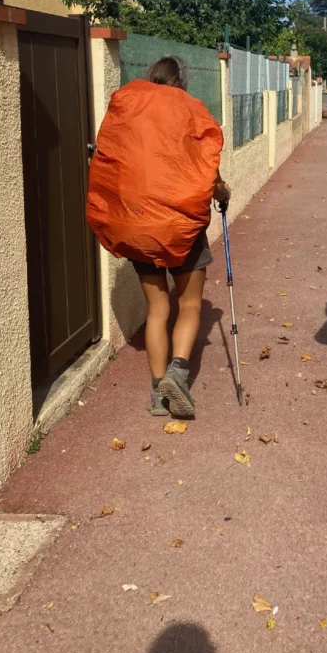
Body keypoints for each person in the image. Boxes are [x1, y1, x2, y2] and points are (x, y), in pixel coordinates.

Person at [87, 54, 230, 419]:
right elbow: (206, 170)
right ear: (181, 80)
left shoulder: (127, 110)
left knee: (157, 309)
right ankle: (177, 375)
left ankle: (156, 393)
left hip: (137, 226)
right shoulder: (189, 110)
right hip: (181, 227)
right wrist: (222, 192)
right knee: (191, 305)